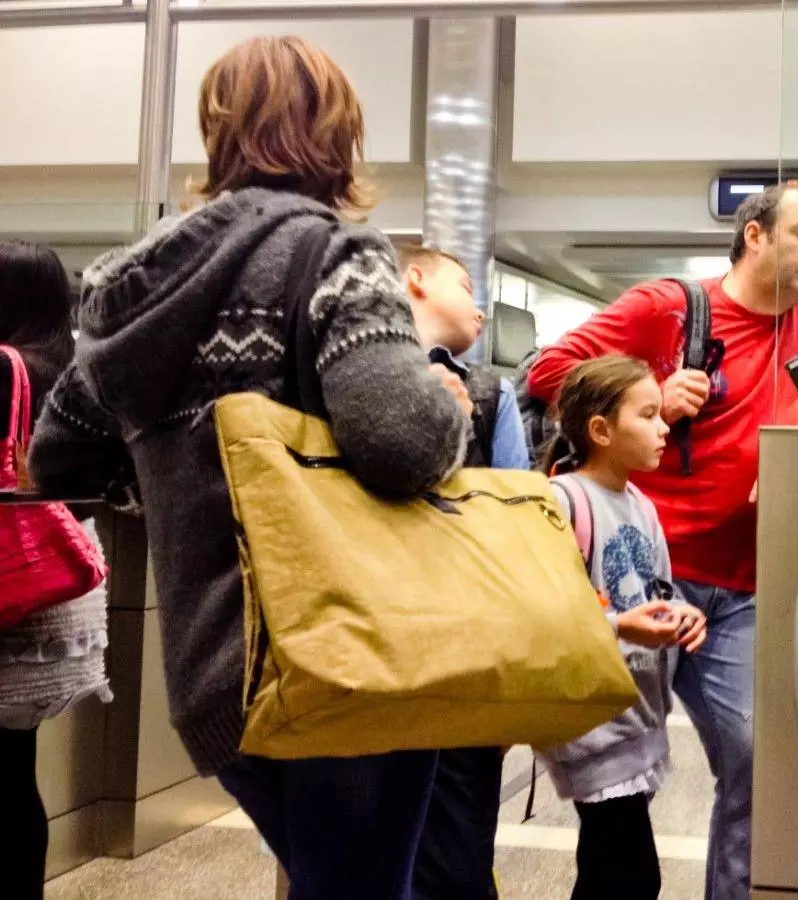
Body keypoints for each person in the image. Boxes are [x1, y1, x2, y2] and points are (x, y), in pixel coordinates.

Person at [27, 37, 469, 900]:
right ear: (338, 132)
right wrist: (448, 410)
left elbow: (57, 456)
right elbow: (399, 440)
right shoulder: (336, 255)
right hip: (349, 653)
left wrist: (169, 473)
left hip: (216, 675)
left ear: (216, 130)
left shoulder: (129, 290)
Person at [528, 184, 798, 899]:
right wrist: (654, 393)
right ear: (756, 236)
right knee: (613, 781)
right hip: (650, 578)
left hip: (745, 583)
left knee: (756, 759)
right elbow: (547, 373)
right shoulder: (665, 308)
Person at [538, 354, 707, 900]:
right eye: (649, 415)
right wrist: (618, 628)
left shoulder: (640, 505)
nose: (665, 429)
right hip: (593, 727)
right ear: (601, 430)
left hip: (637, 717)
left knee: (606, 873)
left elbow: (657, 591)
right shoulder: (564, 502)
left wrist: (684, 613)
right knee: (634, 877)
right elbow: (549, 615)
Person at [395, 243, 516, 900]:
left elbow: (516, 524)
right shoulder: (329, 377)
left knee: (459, 854)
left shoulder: (490, 395)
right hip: (364, 643)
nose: (480, 304)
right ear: (414, 278)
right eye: (466, 285)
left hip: (461, 647)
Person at [0, 240, 112, 900]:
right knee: (15, 769)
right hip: (39, 594)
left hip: (5, 583)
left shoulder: (5, 368)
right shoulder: (70, 375)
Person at [396, 243, 530, 471]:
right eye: (467, 290)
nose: (480, 313)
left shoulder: (494, 394)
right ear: (418, 278)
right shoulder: (345, 371)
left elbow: (515, 496)